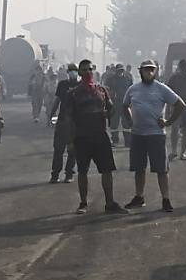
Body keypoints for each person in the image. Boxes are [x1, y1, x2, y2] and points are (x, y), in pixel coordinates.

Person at [66, 59, 128, 215]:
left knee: (107, 170)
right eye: (84, 70)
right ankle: (83, 203)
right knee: (82, 171)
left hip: (100, 135)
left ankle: (110, 202)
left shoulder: (101, 90)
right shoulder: (73, 93)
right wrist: (70, 141)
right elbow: (69, 119)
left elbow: (111, 107)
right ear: (80, 73)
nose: (88, 72)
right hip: (82, 137)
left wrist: (108, 114)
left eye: (90, 69)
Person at [123, 60, 185, 213]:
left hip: (156, 134)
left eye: (151, 70)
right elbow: (125, 105)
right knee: (139, 168)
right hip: (138, 134)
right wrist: (130, 120)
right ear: (140, 71)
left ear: (156, 71)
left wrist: (169, 122)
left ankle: (165, 198)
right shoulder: (133, 89)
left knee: (161, 169)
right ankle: (139, 196)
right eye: (146, 70)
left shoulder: (162, 88)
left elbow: (180, 104)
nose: (149, 72)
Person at [48, 63, 80, 184]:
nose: (73, 73)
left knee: (73, 150)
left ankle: (69, 173)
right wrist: (51, 114)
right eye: (71, 71)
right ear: (68, 72)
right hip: (62, 121)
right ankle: (55, 174)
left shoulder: (81, 86)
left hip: (76, 122)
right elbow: (57, 100)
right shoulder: (62, 85)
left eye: (75, 70)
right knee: (58, 149)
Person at [106, 64, 133, 147]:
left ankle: (128, 142)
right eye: (119, 70)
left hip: (125, 104)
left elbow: (131, 91)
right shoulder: (110, 80)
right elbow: (106, 91)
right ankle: (115, 141)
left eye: (122, 70)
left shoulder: (128, 79)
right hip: (114, 104)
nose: (120, 72)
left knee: (126, 123)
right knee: (114, 123)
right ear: (116, 70)